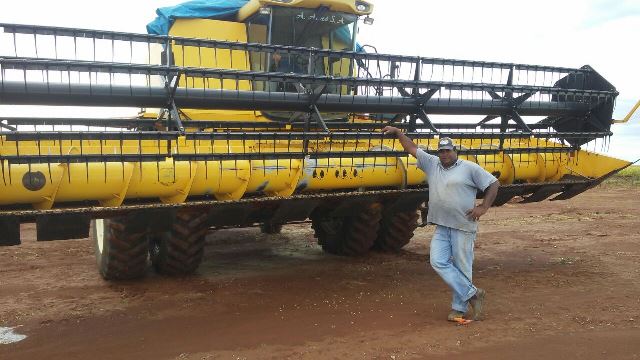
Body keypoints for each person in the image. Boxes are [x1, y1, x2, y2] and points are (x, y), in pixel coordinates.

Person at [382, 126, 500, 322]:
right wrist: (398, 133)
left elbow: (493, 183)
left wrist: (483, 207)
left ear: (455, 151)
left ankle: (458, 309)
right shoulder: (432, 164)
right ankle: (472, 293)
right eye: (441, 151)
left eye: (448, 150)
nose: (444, 154)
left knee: (463, 267)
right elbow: (411, 148)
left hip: (464, 225)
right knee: (437, 261)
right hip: (442, 225)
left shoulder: (469, 167)